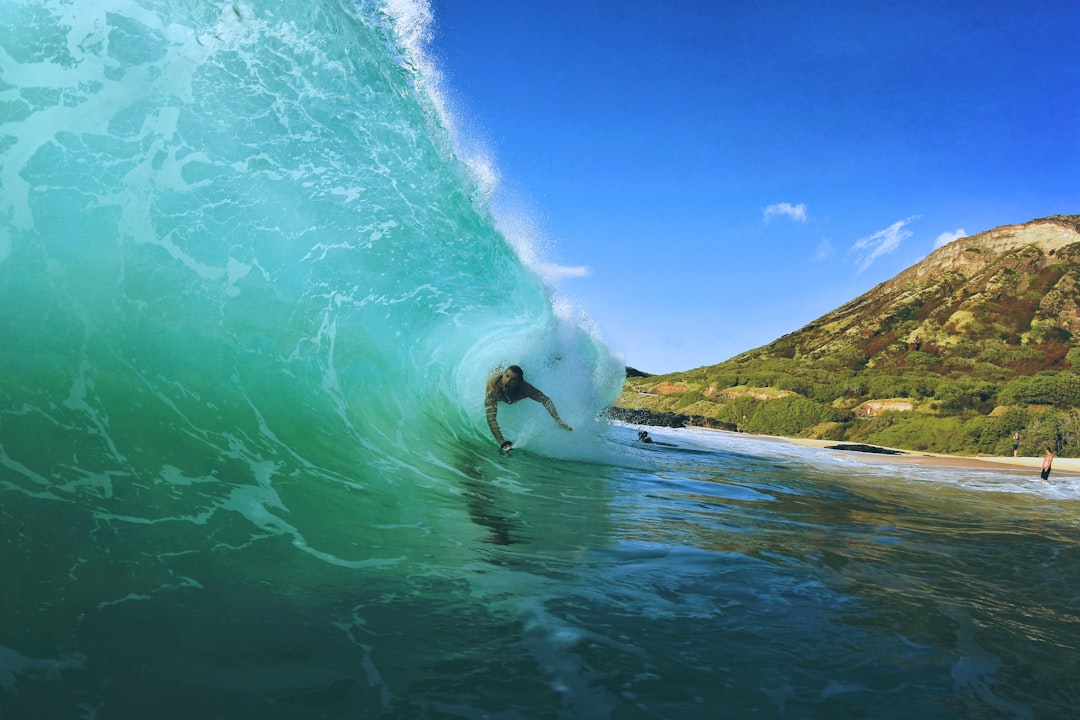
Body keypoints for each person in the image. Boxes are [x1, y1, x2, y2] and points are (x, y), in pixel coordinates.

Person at [485, 365, 571, 451]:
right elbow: (491, 418)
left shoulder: (524, 388)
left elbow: (545, 400)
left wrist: (558, 419)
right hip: (496, 378)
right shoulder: (493, 389)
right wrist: (502, 442)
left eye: (513, 379)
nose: (508, 381)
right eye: (507, 376)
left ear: (519, 382)